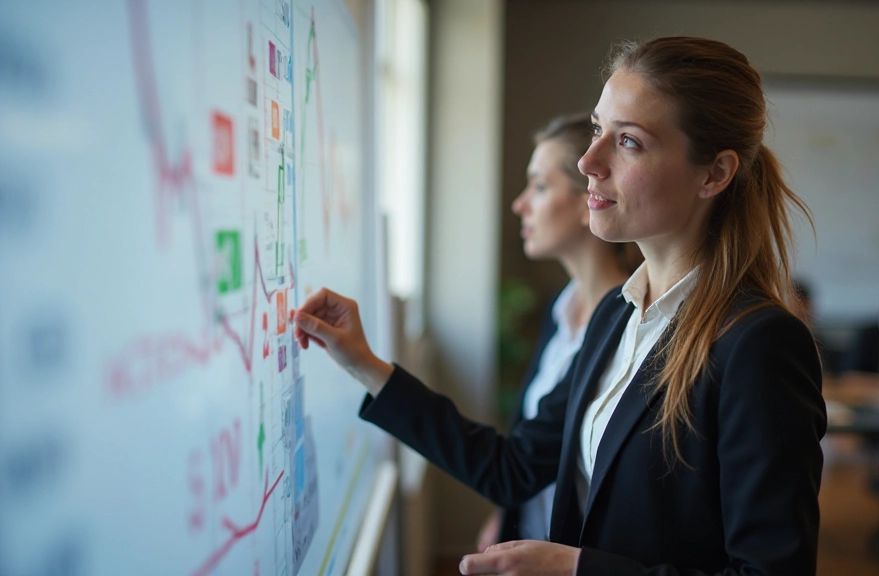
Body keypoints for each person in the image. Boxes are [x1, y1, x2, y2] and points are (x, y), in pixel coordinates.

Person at [293, 36, 826, 576]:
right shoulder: (616, 315)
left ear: (714, 174)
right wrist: (364, 363)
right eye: (597, 130)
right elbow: (513, 467)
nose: (589, 161)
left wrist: (575, 569)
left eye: (629, 141)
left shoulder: (759, 344)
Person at [475, 113, 634, 550]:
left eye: (540, 186)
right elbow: (536, 447)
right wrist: (505, 513)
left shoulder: (626, 325)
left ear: (589, 200)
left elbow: (517, 466)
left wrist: (370, 368)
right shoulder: (560, 308)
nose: (520, 204)